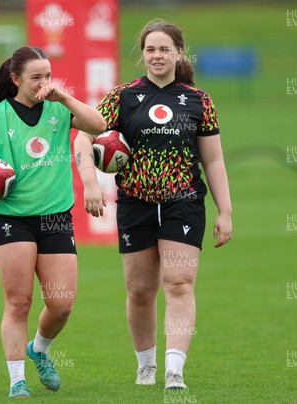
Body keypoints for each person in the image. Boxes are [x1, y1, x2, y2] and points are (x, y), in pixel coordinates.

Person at [74, 19, 232, 390]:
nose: (157, 55)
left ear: (179, 52)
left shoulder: (198, 100)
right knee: (140, 289)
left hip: (184, 202)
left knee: (178, 283)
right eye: (150, 49)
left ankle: (174, 370)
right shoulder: (122, 96)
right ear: (142, 54)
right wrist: (90, 184)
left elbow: (213, 161)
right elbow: (83, 139)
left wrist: (226, 211)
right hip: (135, 203)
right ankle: (146, 366)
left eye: (165, 49)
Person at [0, 46, 106, 399]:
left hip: (56, 218)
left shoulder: (58, 109)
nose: (43, 82)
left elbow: (98, 126)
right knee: (19, 301)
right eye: (36, 77)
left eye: (47, 75)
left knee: (62, 304)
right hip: (12, 220)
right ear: (16, 79)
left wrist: (64, 95)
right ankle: (16, 380)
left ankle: (38, 349)